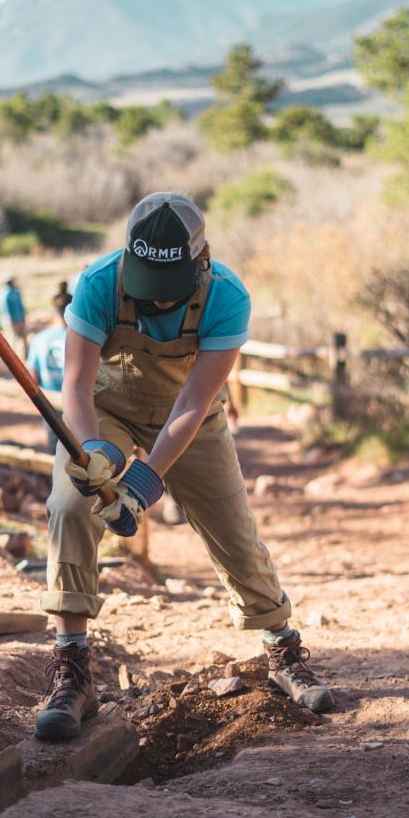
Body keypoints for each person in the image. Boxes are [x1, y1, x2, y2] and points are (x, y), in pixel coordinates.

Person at [35, 191, 334, 740]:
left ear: (203, 261)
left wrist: (142, 487)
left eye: (169, 293)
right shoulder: (99, 283)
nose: (158, 305)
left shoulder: (227, 296)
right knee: (70, 503)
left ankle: (282, 649)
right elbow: (74, 386)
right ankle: (71, 668)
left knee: (234, 531)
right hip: (106, 409)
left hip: (192, 419)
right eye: (147, 289)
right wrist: (95, 454)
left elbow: (193, 406)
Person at [27, 282, 72, 453]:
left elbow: (31, 374)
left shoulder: (40, 338)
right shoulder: (82, 339)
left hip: (49, 401)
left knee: (55, 450)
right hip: (78, 402)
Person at [0, 276, 28, 356]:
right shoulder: (5, 293)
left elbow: (21, 305)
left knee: (22, 339)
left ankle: (24, 356)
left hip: (19, 319)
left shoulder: (16, 292)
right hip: (11, 321)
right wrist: (9, 321)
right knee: (12, 339)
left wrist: (23, 317)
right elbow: (5, 309)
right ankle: (13, 357)